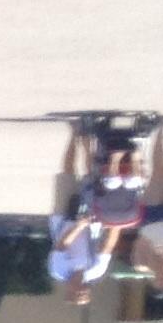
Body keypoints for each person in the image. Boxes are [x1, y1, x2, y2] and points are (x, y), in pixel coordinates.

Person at [49, 129, 113, 305]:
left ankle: (74, 136)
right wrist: (113, 225)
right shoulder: (95, 271)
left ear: (69, 292)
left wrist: (79, 225)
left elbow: (62, 245)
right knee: (92, 179)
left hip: (64, 219)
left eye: (79, 295)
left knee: (68, 173)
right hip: (92, 223)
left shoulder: (58, 271)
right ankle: (87, 142)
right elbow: (106, 247)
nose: (83, 292)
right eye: (85, 295)